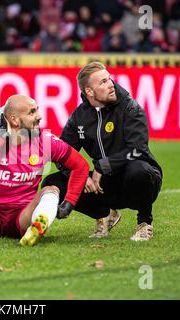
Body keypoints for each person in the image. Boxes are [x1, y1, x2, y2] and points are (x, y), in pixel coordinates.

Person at [42, 61, 162, 241]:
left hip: (139, 179)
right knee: (53, 181)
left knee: (139, 170)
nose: (110, 85)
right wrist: (81, 175)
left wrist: (103, 166)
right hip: (104, 185)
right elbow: (62, 153)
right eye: (103, 82)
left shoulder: (130, 108)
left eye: (109, 79)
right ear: (89, 91)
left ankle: (144, 222)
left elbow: (138, 150)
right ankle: (105, 215)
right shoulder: (79, 116)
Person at [0, 95, 89, 246]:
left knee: (52, 190)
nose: (39, 116)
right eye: (32, 112)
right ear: (14, 120)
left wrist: (70, 201)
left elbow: (80, 165)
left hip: (23, 217)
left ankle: (36, 228)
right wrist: (4, 138)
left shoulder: (45, 140)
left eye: (37, 111)